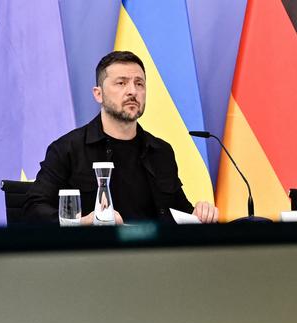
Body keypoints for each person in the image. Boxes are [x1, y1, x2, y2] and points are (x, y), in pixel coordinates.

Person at [21, 51, 218, 225]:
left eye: (139, 83)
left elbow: (179, 213)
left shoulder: (161, 151)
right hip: (96, 252)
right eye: (121, 83)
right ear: (98, 94)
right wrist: (82, 223)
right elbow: (33, 209)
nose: (132, 91)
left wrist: (200, 213)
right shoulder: (68, 149)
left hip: (153, 253)